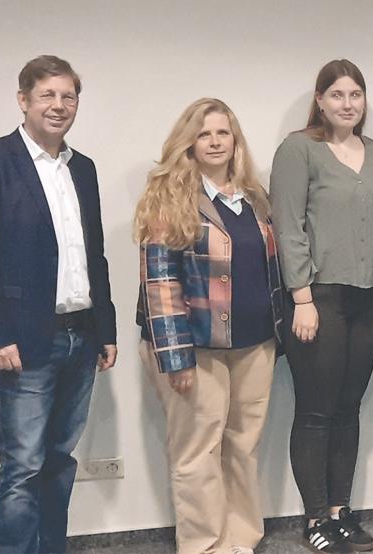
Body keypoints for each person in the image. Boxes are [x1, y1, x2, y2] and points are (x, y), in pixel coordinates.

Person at [0, 55, 117, 554]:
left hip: (81, 335)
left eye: (68, 96)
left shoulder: (82, 168)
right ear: (23, 100)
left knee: (60, 459)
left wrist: (105, 328)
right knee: (23, 465)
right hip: (23, 340)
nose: (59, 105)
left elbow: (95, 255)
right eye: (47, 95)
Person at [134, 98, 283, 554]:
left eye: (223, 132)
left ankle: (240, 541)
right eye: (204, 134)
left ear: (235, 141)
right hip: (195, 347)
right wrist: (174, 357)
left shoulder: (253, 198)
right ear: (189, 143)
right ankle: (203, 545)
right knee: (198, 454)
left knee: (242, 448)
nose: (215, 142)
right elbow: (159, 285)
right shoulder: (170, 198)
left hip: (254, 344)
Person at [270, 59, 373, 553]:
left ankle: (341, 511)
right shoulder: (299, 150)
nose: (348, 104)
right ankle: (315, 519)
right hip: (318, 299)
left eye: (356, 95)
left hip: (369, 300)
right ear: (320, 100)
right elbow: (288, 227)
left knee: (349, 408)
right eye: (338, 95)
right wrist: (301, 298)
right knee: (317, 410)